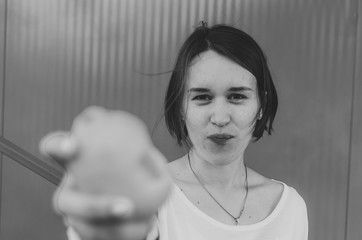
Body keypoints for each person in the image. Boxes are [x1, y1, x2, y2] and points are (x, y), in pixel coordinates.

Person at [42, 23, 308, 240]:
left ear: (261, 105)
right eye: (202, 97)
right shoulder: (148, 196)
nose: (219, 118)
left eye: (237, 97)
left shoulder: (290, 208)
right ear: (181, 107)